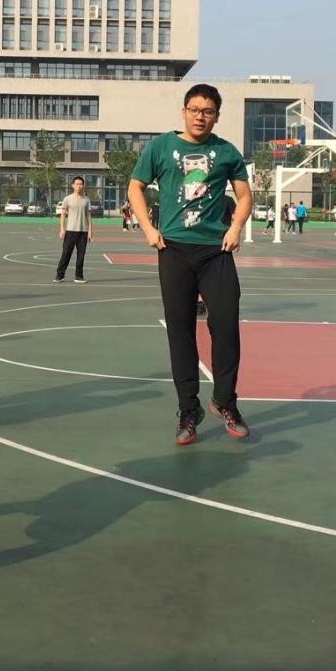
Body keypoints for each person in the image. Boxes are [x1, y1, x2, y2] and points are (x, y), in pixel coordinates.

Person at [128, 83, 253, 445]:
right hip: (174, 249)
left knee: (225, 323)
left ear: (216, 116)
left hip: (216, 251)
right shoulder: (161, 147)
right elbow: (135, 186)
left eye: (208, 111)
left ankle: (225, 401)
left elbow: (245, 196)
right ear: (184, 112)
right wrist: (148, 228)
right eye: (194, 110)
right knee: (180, 330)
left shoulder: (226, 152)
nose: (200, 116)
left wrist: (236, 227)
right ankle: (188, 409)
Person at [55, 175, 92, 283]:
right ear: (73, 185)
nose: (79, 186)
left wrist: (90, 231)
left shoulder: (86, 200)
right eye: (77, 184)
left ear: (83, 186)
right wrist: (62, 229)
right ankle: (60, 275)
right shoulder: (67, 199)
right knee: (66, 253)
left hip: (83, 232)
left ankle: (78, 276)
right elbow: (63, 214)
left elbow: (88, 215)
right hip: (70, 231)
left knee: (81, 255)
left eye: (81, 184)